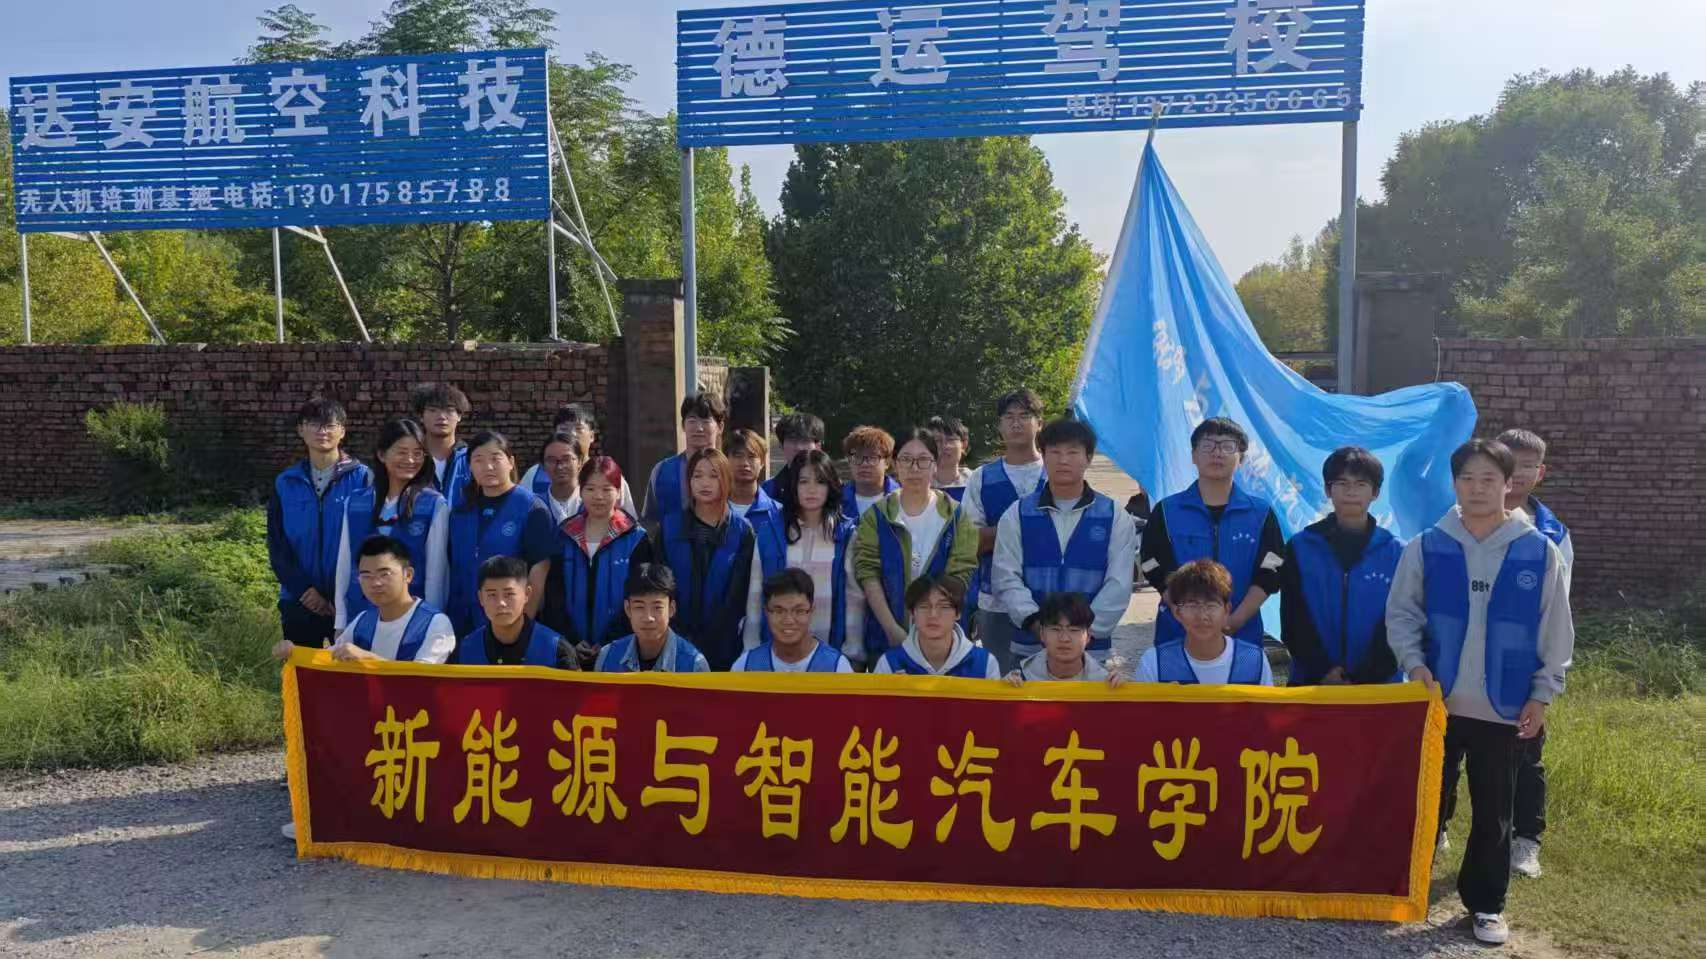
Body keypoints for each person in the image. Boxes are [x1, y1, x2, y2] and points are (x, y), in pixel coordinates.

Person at [1385, 438, 1573, 947]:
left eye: (1489, 478)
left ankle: (1486, 904)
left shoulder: (1537, 550)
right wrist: (1414, 664)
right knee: (1425, 798)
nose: (1477, 488)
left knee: (1494, 811)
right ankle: (1406, 885)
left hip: (1504, 705)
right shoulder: (1428, 545)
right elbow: (1402, 613)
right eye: (1467, 478)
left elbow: (1555, 629)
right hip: (1437, 702)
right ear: (1454, 484)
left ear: (1509, 484)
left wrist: (1542, 694)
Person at [270, 533, 453, 842]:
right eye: (366, 575)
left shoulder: (435, 623)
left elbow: (421, 680)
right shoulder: (363, 621)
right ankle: (329, 815)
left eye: (384, 573)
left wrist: (368, 659)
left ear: (408, 575)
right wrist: (296, 653)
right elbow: (329, 659)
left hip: (420, 729)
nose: (375, 583)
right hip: (374, 722)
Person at [992, 418, 1137, 669]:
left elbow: (1119, 583)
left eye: (1072, 452)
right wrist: (1036, 624)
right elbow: (1005, 576)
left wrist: (1084, 632)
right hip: (1029, 648)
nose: (1063, 460)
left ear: (1088, 458)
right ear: (1043, 456)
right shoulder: (1018, 513)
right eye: (1055, 452)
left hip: (1092, 653)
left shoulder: (1114, 516)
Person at [1495, 428, 1573, 880]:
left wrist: (1545, 676)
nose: (1518, 473)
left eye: (1528, 465)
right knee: (1451, 747)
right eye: (1510, 461)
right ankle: (1439, 825)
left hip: (1523, 662)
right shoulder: (1460, 521)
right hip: (1467, 658)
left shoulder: (1553, 534)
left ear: (1540, 473)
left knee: (1526, 753)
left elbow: (1557, 610)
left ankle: (1526, 841)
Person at [1140, 417, 1285, 649]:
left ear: (1241, 458)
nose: (1217, 453)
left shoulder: (1261, 513)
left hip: (1242, 636)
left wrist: (1235, 620)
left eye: (1227, 446)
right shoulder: (1166, 511)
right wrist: (1184, 614)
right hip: (1178, 634)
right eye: (1208, 446)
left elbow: (1272, 568)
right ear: (1193, 456)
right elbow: (1150, 563)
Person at [1279, 446, 1404, 685]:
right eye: (1342, 483)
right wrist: (1322, 671)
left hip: (1379, 687)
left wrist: (1364, 676)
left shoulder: (1397, 552)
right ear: (1328, 489)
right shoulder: (1300, 547)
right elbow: (1292, 618)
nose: (1351, 492)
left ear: (1376, 492)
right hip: (1313, 683)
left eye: (1361, 484)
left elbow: (1402, 620)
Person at [856, 427, 979, 664]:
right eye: (906, 459)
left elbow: (961, 573)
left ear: (935, 465)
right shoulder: (876, 516)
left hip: (942, 641)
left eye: (923, 460)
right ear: (894, 464)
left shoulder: (956, 515)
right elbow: (867, 573)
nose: (914, 468)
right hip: (887, 636)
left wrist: (933, 633)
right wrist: (892, 629)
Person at [267, 397, 373, 650]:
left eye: (330, 425)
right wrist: (305, 591)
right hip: (299, 599)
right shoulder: (286, 482)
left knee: (352, 668)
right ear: (301, 430)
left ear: (342, 431)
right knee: (302, 669)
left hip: (350, 599)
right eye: (313, 424)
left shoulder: (363, 478)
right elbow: (277, 544)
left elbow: (371, 539)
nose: (322, 431)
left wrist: (345, 592)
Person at [742, 450, 866, 661]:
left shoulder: (845, 535)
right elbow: (755, 595)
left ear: (830, 486)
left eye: (820, 481)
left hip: (830, 655)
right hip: (776, 654)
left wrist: (852, 654)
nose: (811, 489)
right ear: (793, 486)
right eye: (804, 481)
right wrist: (751, 650)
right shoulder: (769, 534)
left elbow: (854, 599)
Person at [334, 418, 448, 632]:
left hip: (410, 619)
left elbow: (437, 573)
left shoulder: (433, 504)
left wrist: (431, 622)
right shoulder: (355, 502)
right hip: (360, 615)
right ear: (382, 454)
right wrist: (340, 620)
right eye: (402, 452)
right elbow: (344, 564)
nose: (410, 460)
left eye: (418, 453)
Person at [964, 388, 1048, 671]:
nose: (1016, 423)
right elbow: (970, 541)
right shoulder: (982, 478)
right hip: (996, 601)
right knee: (1000, 679)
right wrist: (1021, 526)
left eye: (1024, 416)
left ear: (1039, 423)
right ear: (999, 425)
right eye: (1009, 417)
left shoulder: (1057, 473)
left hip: (1049, 599)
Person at [445, 430, 557, 637]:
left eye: (495, 458)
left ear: (511, 462)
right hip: (461, 620)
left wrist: (523, 625)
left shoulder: (531, 508)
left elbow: (539, 570)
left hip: (509, 620)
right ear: (470, 467)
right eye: (479, 460)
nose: (488, 467)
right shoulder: (460, 511)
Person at [654, 447, 755, 670]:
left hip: (725, 647)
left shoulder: (742, 532)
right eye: (697, 476)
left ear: (726, 480)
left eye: (713, 476)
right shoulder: (670, 528)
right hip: (675, 642)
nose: (704, 483)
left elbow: (739, 596)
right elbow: (661, 587)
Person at [547, 456, 653, 665]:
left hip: (621, 650)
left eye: (607, 489)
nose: (598, 497)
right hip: (568, 650)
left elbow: (640, 596)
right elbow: (553, 596)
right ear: (580, 490)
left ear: (619, 491)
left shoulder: (635, 539)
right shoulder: (565, 535)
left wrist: (608, 643)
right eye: (590, 489)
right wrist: (571, 640)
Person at [1136, 559, 1275, 685]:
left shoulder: (1255, 661)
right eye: (1192, 605)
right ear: (1177, 612)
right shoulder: (1155, 663)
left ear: (1227, 610)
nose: (1202, 616)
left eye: (1211, 605)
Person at [455, 556, 578, 668]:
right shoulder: (465, 651)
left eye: (509, 594)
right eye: (492, 595)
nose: (501, 603)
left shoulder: (556, 650)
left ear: (527, 594)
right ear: (481, 598)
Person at [873, 574, 1002, 678]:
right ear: (912, 613)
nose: (933, 615)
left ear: (958, 613)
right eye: (924, 606)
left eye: (944, 607)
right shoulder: (889, 665)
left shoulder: (984, 664)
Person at [519, 404, 635, 516]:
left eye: (579, 429)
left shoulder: (609, 474)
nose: (572, 434)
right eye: (564, 429)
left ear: (592, 436)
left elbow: (628, 521)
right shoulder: (534, 475)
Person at [595, 563, 712, 672]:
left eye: (657, 607)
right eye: (639, 607)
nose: (648, 617)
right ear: (627, 609)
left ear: (671, 609)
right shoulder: (607, 658)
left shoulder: (694, 665)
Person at [732, 569, 855, 673]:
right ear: (766, 612)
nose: (789, 620)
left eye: (799, 611)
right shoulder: (745, 666)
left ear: (811, 611)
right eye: (779, 611)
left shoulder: (837, 668)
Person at [641, 392, 727, 529]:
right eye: (692, 420)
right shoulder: (662, 471)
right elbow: (649, 522)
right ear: (682, 425)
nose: (699, 428)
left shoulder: (729, 471)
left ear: (720, 427)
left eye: (706, 421)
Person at [1004, 592, 1126, 686]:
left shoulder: (1104, 681)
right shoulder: (1022, 678)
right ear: (1042, 634)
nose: (1064, 638)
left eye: (1074, 630)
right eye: (1055, 629)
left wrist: (1122, 690)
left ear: (1088, 636)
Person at [410, 382, 472, 510]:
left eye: (449, 410)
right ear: (421, 416)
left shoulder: (472, 459)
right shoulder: (409, 460)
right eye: (433, 410)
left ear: (459, 416)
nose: (441, 417)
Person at [526, 430, 586, 525]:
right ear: (543, 465)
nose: (560, 466)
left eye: (566, 459)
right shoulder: (532, 507)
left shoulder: (593, 504)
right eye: (551, 460)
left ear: (580, 461)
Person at [841, 424, 899, 520]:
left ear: (887, 462)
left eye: (872, 457)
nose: (864, 464)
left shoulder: (903, 499)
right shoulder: (834, 501)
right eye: (857, 457)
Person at [762, 411, 825, 497]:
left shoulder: (835, 487)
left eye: (805, 441)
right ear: (781, 445)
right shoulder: (767, 490)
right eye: (792, 440)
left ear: (818, 446)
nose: (799, 447)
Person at [926, 415, 973, 500]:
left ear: (964, 444)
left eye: (950, 440)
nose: (944, 446)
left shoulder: (977, 482)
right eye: (937, 440)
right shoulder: (917, 484)